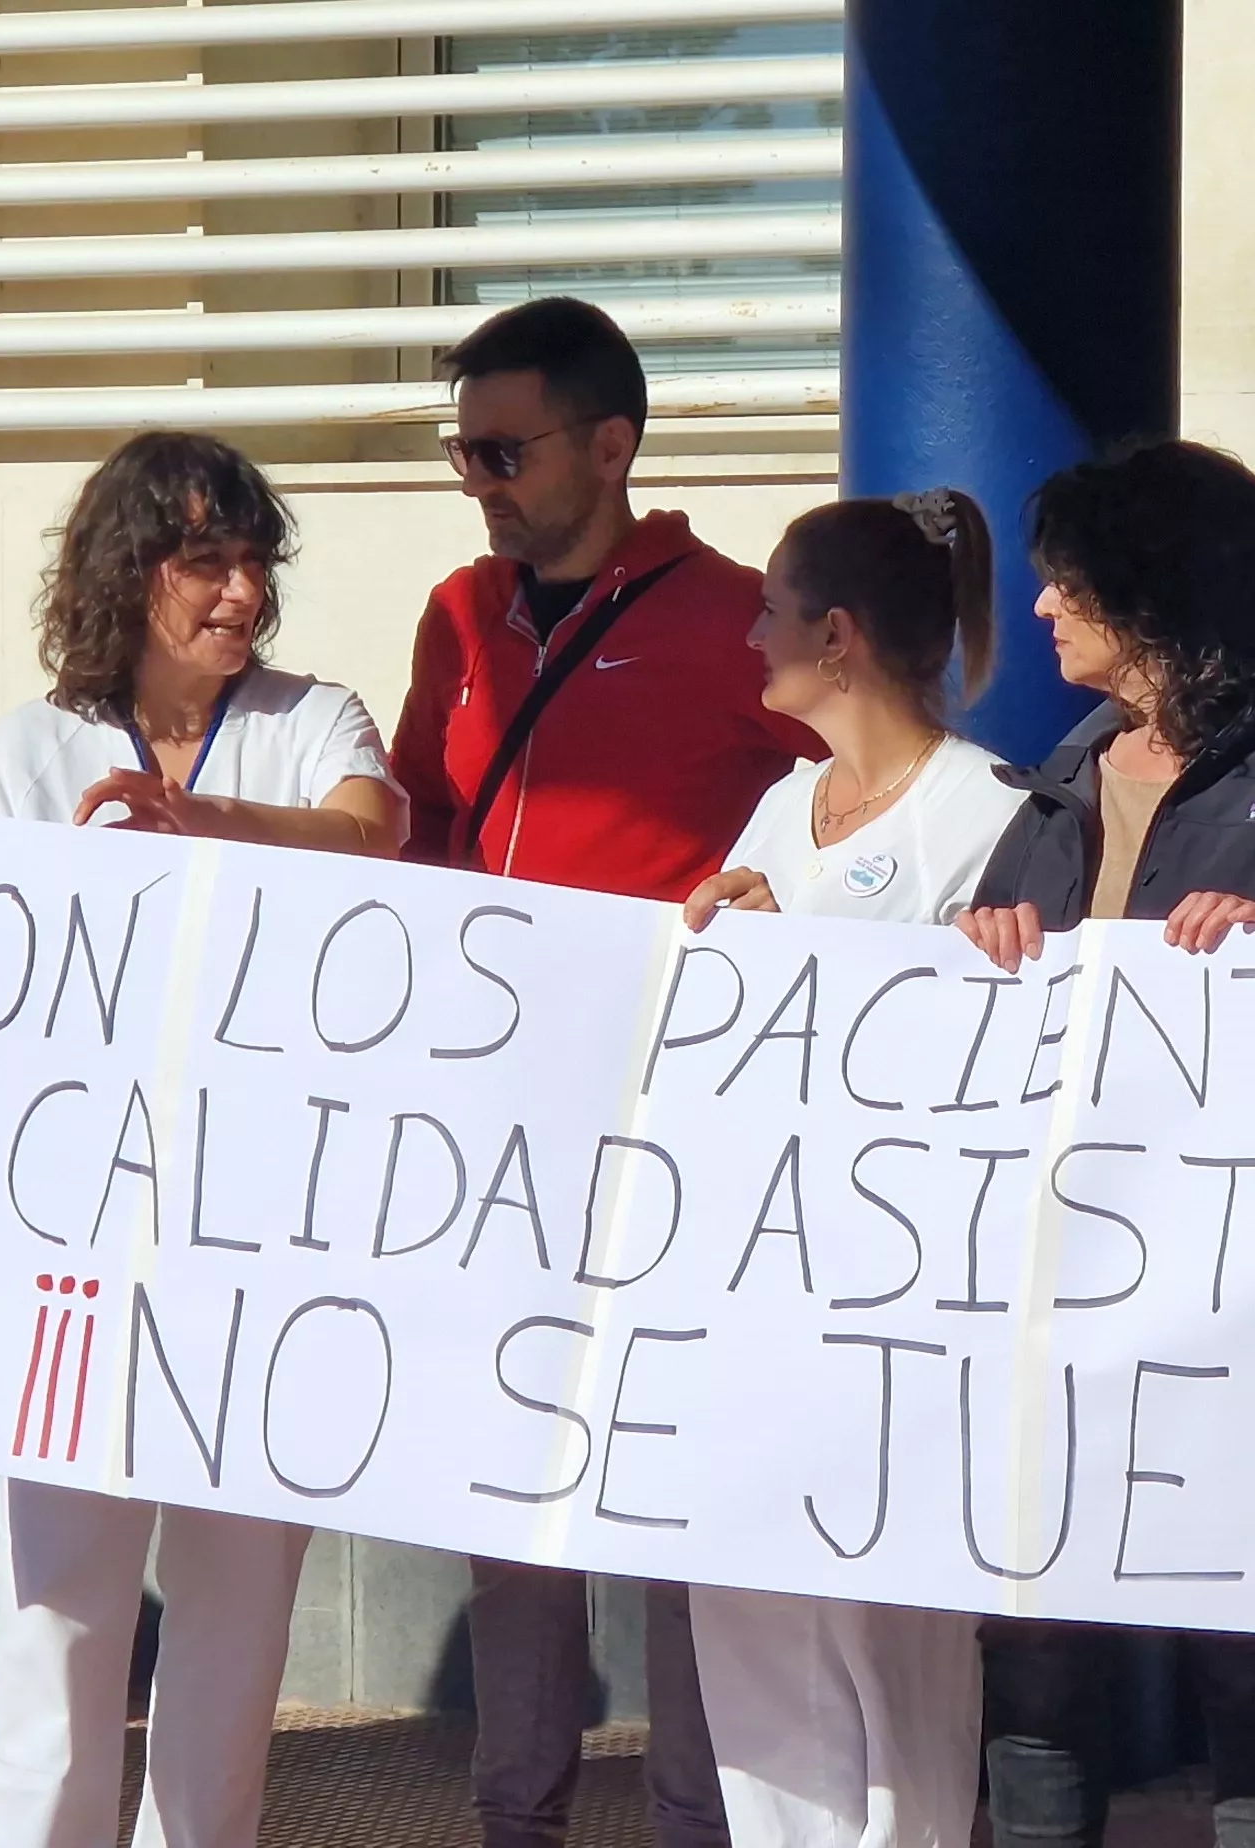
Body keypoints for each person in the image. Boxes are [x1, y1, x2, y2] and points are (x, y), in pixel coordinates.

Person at [388, 294, 816, 1848]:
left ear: (612, 445)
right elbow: (424, 839)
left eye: (505, 449)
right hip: (495, 1127)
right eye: (463, 452)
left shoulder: (734, 616)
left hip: (678, 1126)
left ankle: (698, 1820)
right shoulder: (453, 611)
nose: (481, 481)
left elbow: (833, 827)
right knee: (508, 1491)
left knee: (676, 1491)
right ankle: (520, 1818)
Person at [0, 431, 398, 1848]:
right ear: (125, 572)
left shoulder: (315, 714)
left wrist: (196, 820)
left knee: (235, 1624)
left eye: (256, 556)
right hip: (79, 1240)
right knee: (60, 1623)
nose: (242, 588)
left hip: (268, 1236)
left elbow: (374, 830)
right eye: (206, 558)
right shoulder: (29, 747)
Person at [954, 439, 1255, 1848]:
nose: (1040, 611)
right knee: (1034, 1641)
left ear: (1158, 596)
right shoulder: (1069, 769)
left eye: (1068, 585)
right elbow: (985, 987)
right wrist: (982, 943)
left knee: (1251, 1638)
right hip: (1059, 1276)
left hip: (1252, 1293)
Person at [672, 488, 1024, 1848]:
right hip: (754, 1287)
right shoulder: (778, 806)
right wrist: (729, 926)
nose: (746, 636)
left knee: (892, 1665)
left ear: (835, 636)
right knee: (754, 1634)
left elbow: (997, 1045)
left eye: (766, 610)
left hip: (899, 1304)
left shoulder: (983, 808)